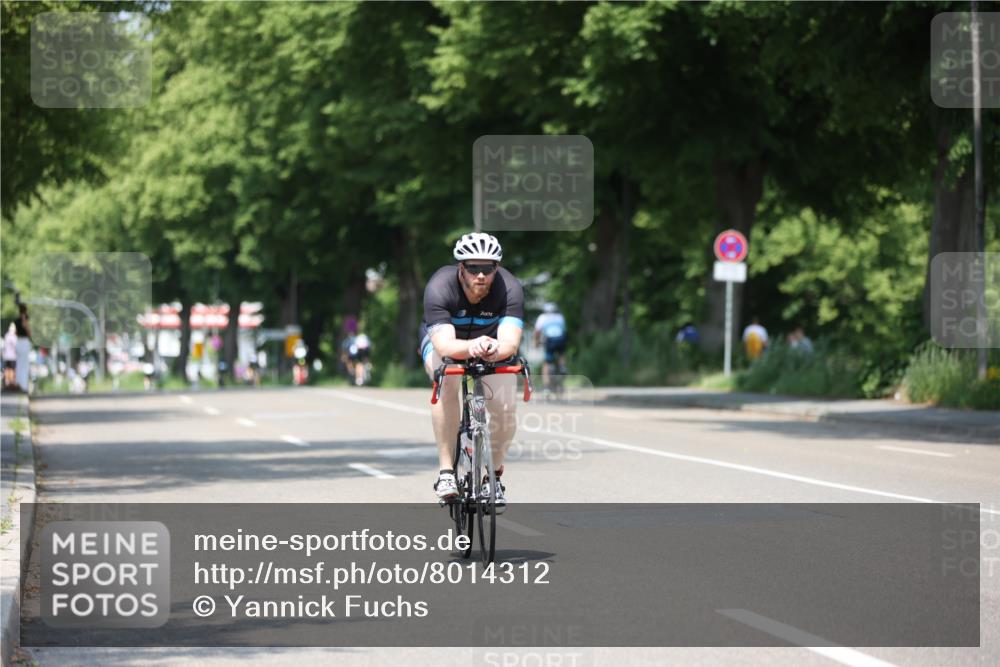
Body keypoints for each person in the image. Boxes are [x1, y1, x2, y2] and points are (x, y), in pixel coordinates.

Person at [418, 233, 523, 512]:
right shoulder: (440, 286)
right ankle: (446, 473)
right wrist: (471, 346)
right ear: (460, 268)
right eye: (473, 267)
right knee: (447, 378)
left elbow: (510, 343)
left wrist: (493, 348)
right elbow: (444, 345)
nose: (480, 275)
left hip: (491, 345)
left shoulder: (509, 288)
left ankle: (493, 477)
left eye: (487, 268)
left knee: (506, 408)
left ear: (496, 268)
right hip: (446, 341)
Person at [533, 302, 567, 391]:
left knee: (546, 363)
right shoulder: (560, 317)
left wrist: (536, 342)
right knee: (561, 354)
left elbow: (537, 331)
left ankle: (546, 386)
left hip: (550, 340)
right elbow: (563, 329)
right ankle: (562, 367)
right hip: (561, 338)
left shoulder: (542, 317)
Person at [14, 304, 32, 392]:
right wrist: (25, 320)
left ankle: (18, 383)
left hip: (18, 341)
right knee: (24, 364)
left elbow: (16, 332)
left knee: (19, 363)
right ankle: (23, 385)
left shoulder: (16, 320)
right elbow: (28, 332)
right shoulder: (25, 319)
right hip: (24, 341)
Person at [3, 323, 18, 389]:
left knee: (7, 369)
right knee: (12, 369)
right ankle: (11, 382)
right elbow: (16, 346)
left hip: (6, 356)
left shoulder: (6, 336)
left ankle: (7, 381)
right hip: (13, 356)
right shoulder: (14, 337)